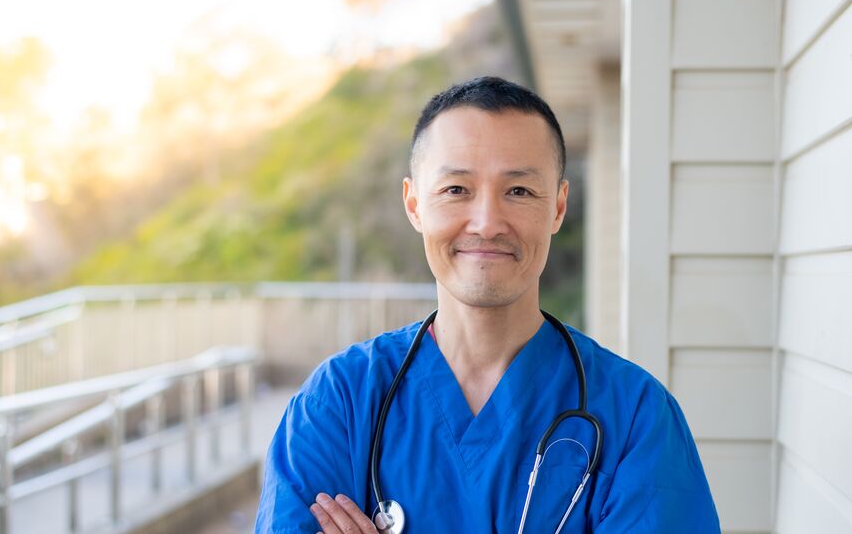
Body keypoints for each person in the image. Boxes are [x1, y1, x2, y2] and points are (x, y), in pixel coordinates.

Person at [254, 76, 720, 533]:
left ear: (557, 207)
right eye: (456, 189)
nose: (487, 222)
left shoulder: (635, 417)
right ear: (414, 204)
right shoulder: (342, 401)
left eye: (518, 191)